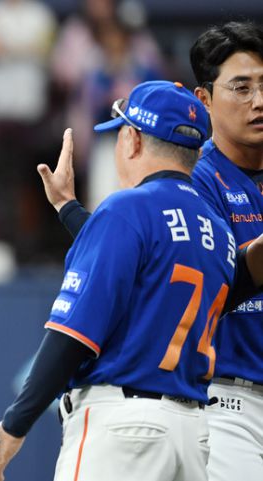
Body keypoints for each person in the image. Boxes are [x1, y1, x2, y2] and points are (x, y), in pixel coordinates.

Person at [0, 80, 263, 481]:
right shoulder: (217, 231)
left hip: (124, 428)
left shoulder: (126, 209)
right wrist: (68, 208)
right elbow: (151, 260)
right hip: (193, 433)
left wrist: (14, 425)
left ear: (132, 139)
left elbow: (71, 336)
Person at [188, 22, 263, 481]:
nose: (259, 101)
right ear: (204, 99)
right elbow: (213, 288)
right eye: (242, 87)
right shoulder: (195, 180)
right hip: (229, 403)